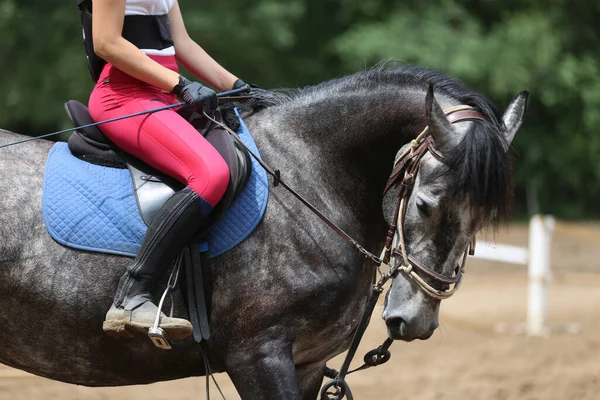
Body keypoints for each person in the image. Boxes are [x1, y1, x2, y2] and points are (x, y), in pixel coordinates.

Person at [83, 0, 247, 341]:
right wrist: (180, 84)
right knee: (211, 174)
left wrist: (238, 86)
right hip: (124, 97)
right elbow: (106, 42)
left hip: (165, 96)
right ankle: (133, 293)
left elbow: (182, 43)